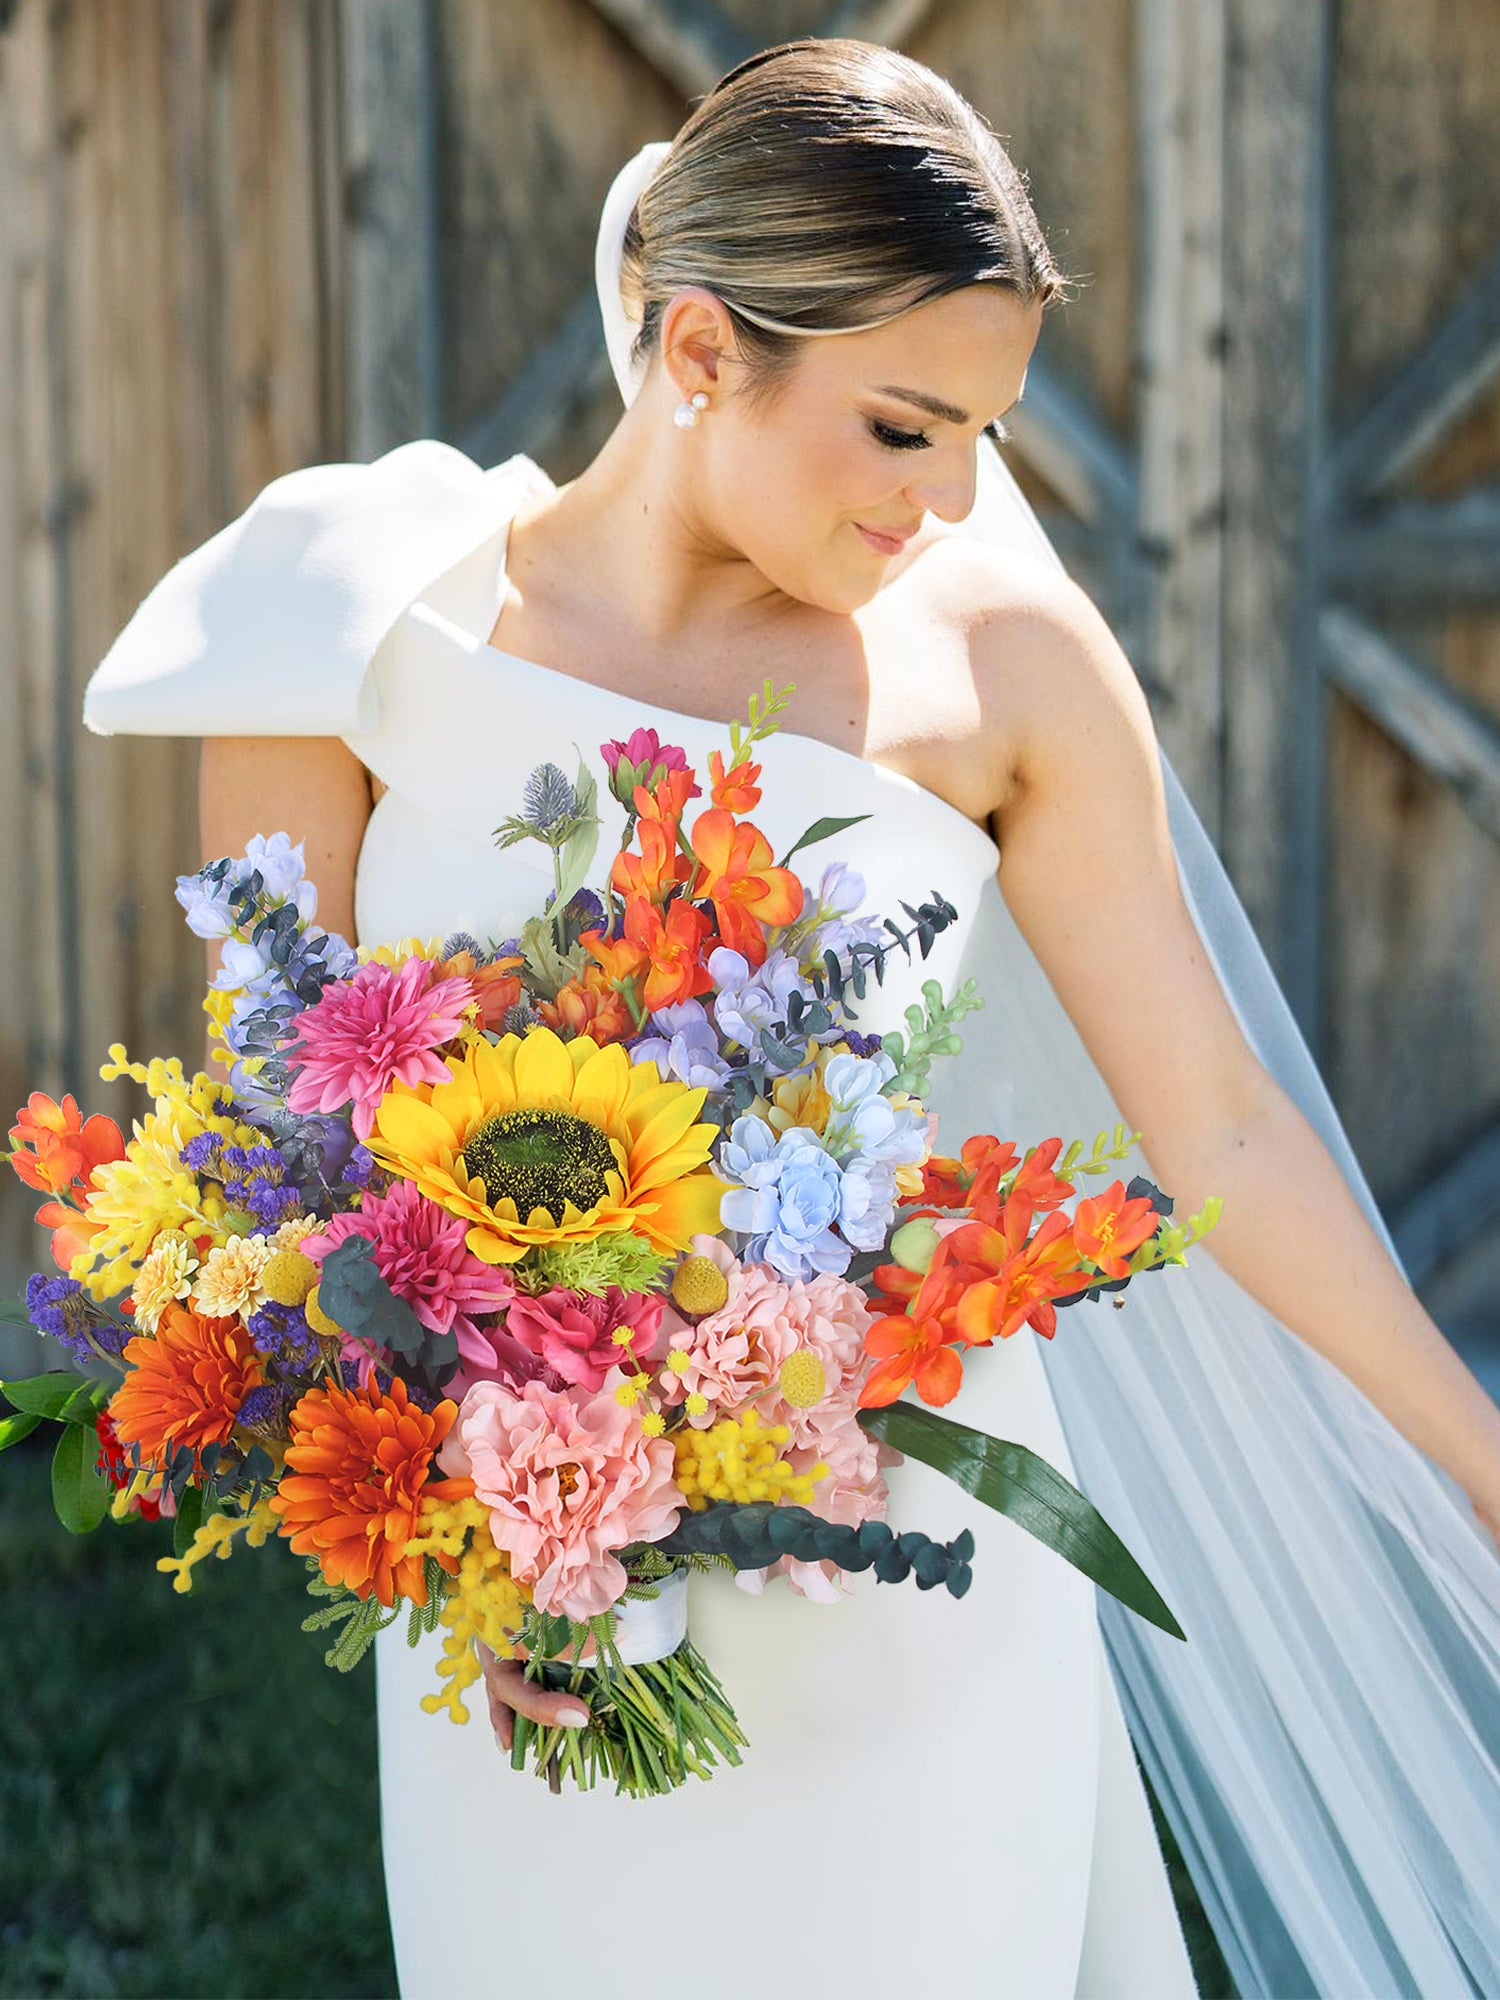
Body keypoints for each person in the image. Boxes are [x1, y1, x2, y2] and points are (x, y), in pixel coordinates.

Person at [81, 35, 1500, 2000]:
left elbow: (1226, 1131)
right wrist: (473, 1465)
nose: (953, 498)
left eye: (987, 434)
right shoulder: (340, 613)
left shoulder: (1004, 668)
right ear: (693, 350)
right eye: (908, 425)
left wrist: (1478, 1456)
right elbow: (281, 1154)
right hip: (525, 1602)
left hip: (897, 1578)